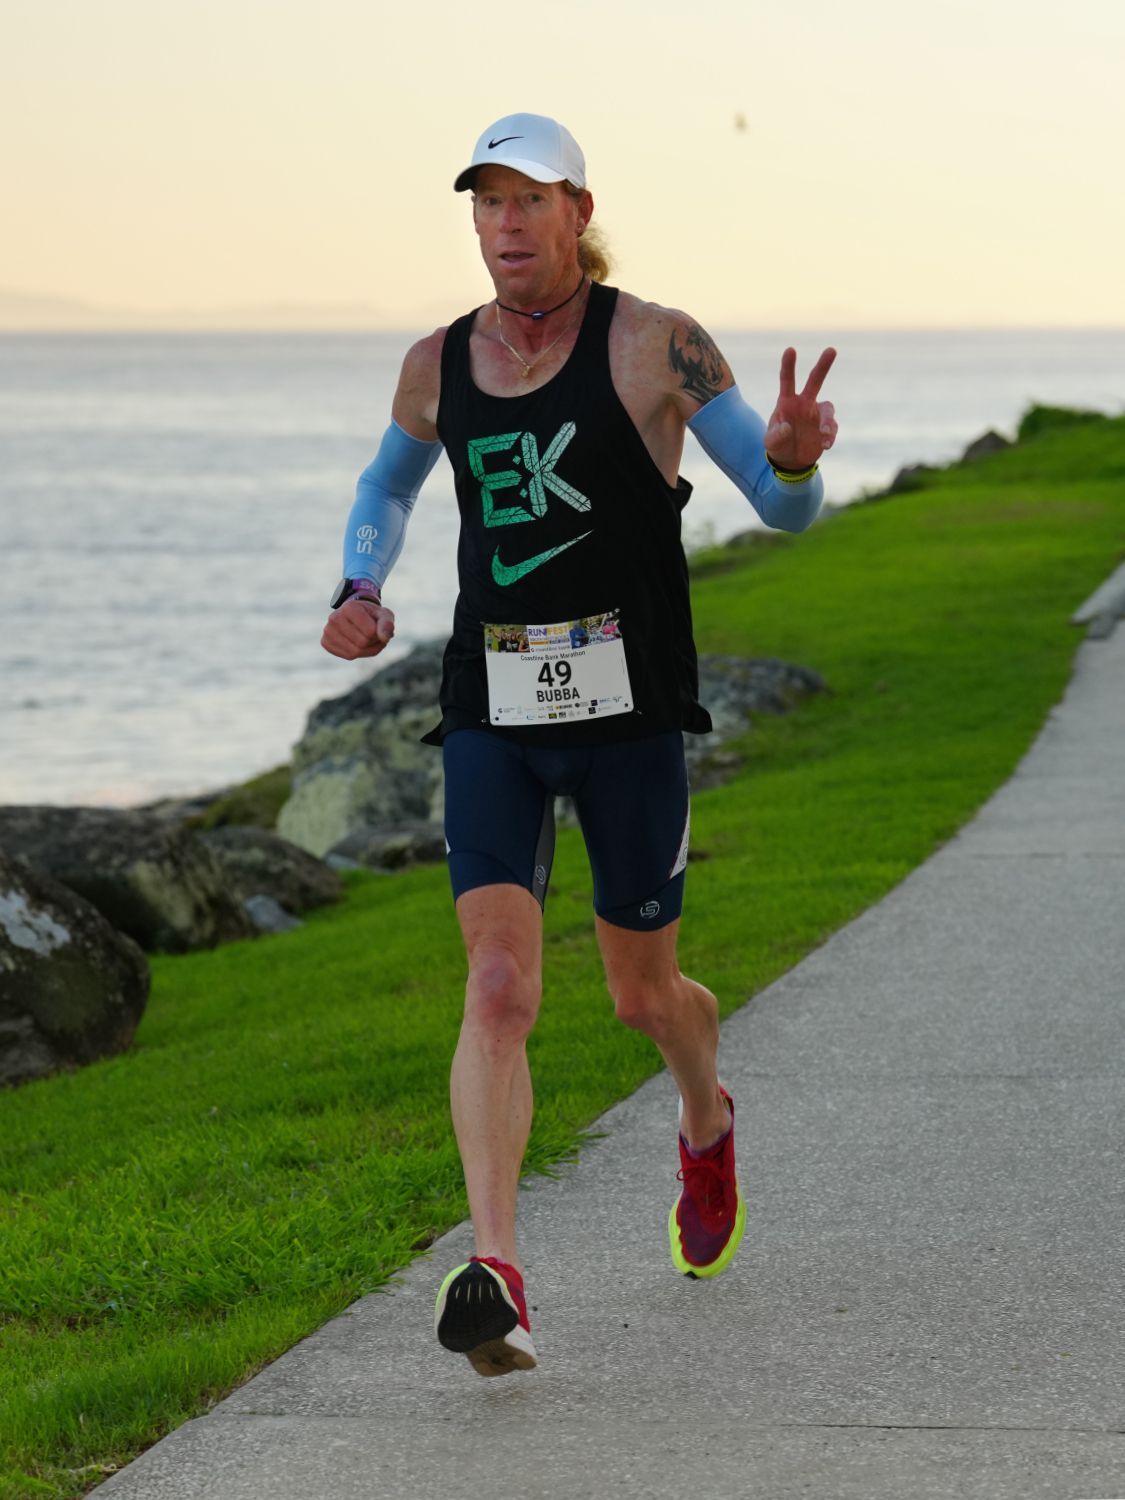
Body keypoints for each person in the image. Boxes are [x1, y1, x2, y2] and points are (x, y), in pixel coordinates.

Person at [321, 112, 837, 1378]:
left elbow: (778, 510)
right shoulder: (438, 363)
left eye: (526, 202)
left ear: (577, 212)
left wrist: (792, 461)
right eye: (485, 204)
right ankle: (495, 1268)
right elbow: (388, 486)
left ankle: (706, 1121)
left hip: (631, 713)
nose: (504, 225)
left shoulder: (659, 344)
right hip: (493, 705)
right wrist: (361, 582)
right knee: (497, 985)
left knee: (640, 994)